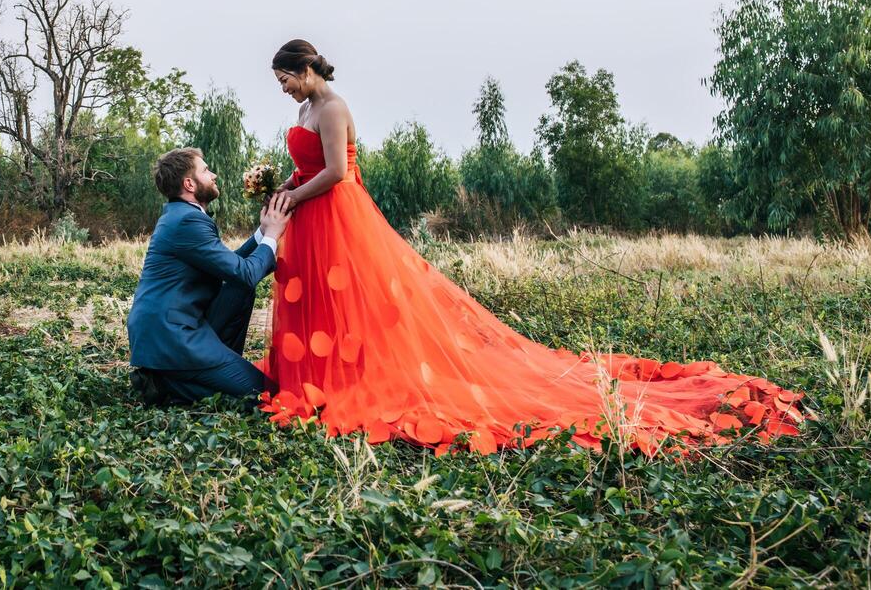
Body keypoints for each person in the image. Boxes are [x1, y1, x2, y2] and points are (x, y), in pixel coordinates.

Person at [260, 38, 806, 454]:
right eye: (282, 83)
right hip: (309, 212)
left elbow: (336, 173)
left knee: (357, 296)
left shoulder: (332, 108)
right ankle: (316, 373)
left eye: (287, 79)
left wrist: (294, 198)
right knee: (321, 297)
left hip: (337, 212)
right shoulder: (303, 110)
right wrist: (283, 187)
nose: (285, 89)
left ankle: (356, 376)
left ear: (308, 69)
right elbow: (305, 166)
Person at [127, 147, 292, 406]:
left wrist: (262, 233)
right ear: (189, 183)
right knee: (265, 394)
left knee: (240, 288)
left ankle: (181, 376)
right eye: (205, 170)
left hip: (181, 326)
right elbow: (247, 272)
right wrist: (273, 234)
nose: (213, 175)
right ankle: (166, 383)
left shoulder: (183, 216)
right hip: (174, 336)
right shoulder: (187, 222)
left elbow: (234, 267)